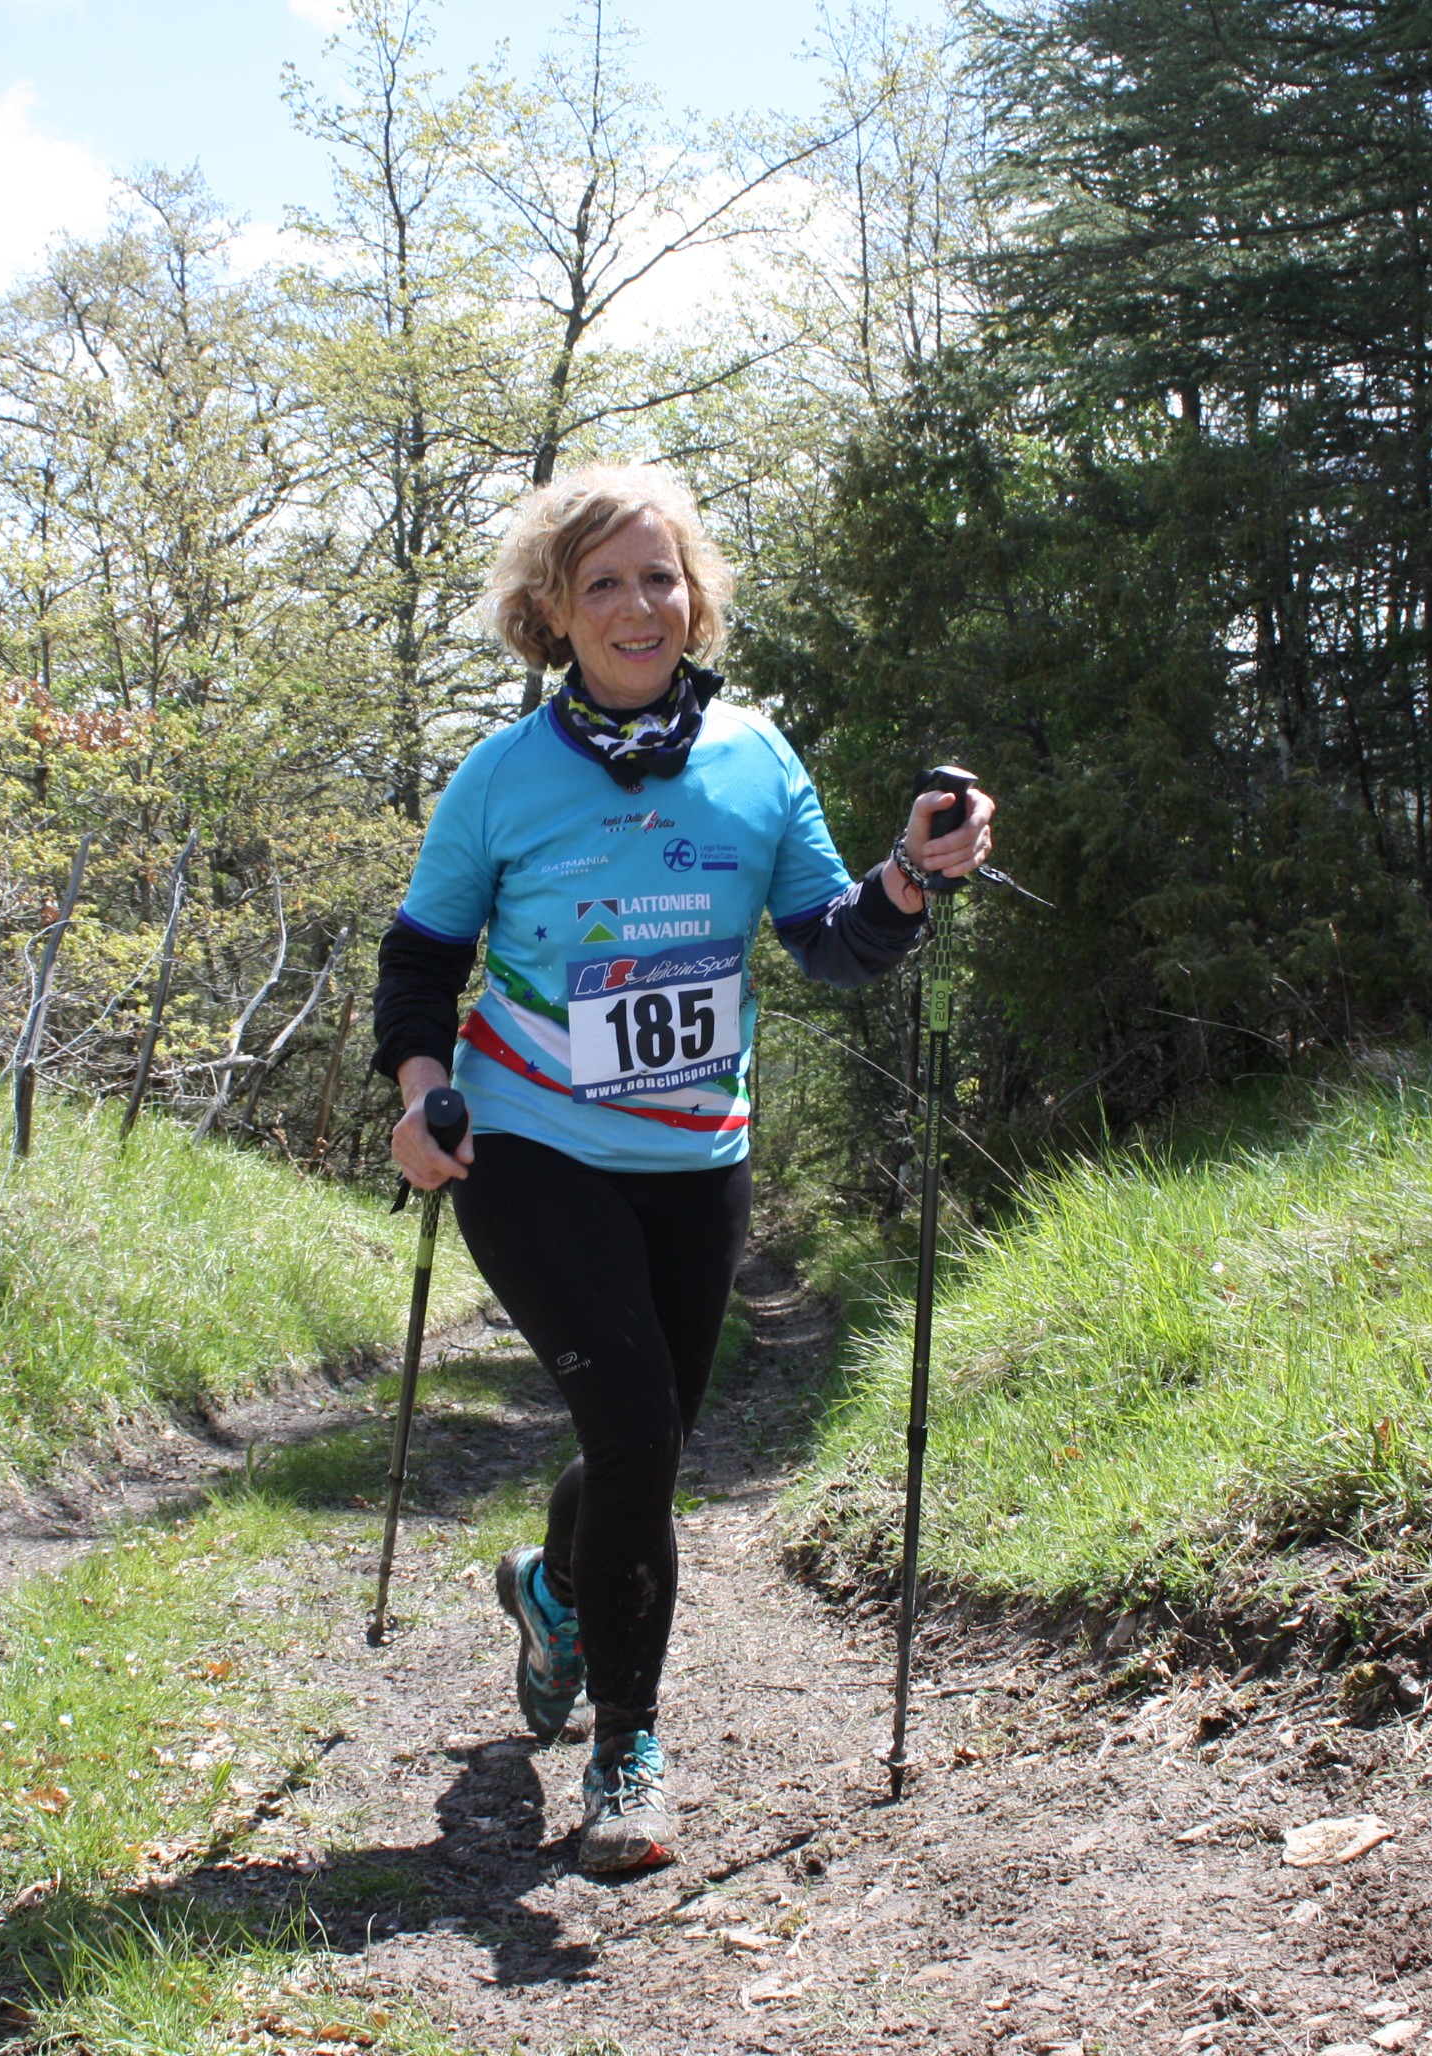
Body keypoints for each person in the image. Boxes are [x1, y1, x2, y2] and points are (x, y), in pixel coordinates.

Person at [369, 463, 996, 1875]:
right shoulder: (504, 776)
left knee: (635, 1447)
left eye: (659, 578)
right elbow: (420, 957)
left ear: (694, 594)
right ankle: (627, 1755)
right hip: (527, 1142)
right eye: (603, 583)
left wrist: (909, 875)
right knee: (641, 1426)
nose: (638, 606)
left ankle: (552, 1589)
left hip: (694, 1152)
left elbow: (831, 939)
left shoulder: (757, 760)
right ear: (552, 611)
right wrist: (423, 1089)